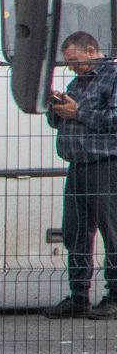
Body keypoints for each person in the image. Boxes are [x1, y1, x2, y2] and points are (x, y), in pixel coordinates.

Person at [42, 31, 117, 320]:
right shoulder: (78, 81)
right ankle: (78, 296)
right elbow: (60, 118)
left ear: (91, 50)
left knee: (111, 234)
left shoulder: (111, 77)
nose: (71, 67)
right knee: (75, 232)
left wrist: (79, 112)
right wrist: (57, 107)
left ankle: (114, 296)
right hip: (78, 165)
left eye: (74, 60)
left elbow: (113, 119)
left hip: (104, 164)